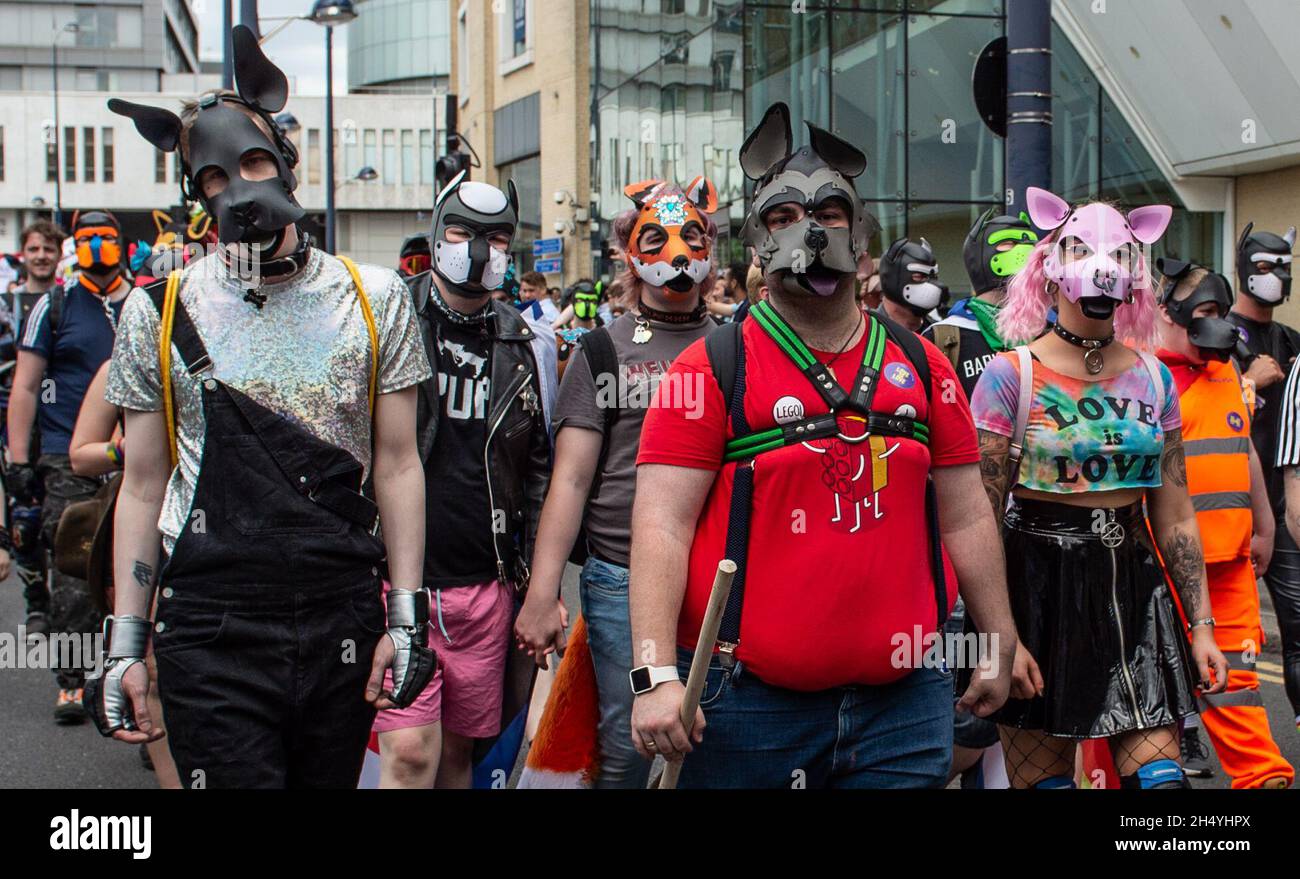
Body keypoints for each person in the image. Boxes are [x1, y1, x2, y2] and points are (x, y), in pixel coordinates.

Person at [628, 103, 1016, 788]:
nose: (809, 230)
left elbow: (965, 511)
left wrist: (997, 637)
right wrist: (654, 673)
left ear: (860, 231)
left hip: (905, 704)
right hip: (743, 707)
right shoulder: (712, 369)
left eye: (830, 212)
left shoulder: (925, 366)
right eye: (782, 217)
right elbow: (661, 524)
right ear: (755, 240)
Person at [90, 25, 435, 788]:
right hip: (213, 625)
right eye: (214, 177)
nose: (238, 188)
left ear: (286, 160)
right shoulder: (158, 309)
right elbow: (144, 484)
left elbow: (399, 463)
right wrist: (125, 644)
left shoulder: (375, 300)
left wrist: (406, 618)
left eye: (252, 161)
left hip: (340, 612)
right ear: (195, 192)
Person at [971, 186, 1228, 790]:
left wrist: (1203, 627)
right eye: (1081, 248)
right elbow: (977, 520)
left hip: (1135, 591)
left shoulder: (1154, 378)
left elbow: (1175, 515)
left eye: (1117, 253)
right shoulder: (1011, 378)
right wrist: (998, 637)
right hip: (1037, 590)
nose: (1101, 266)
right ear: (1050, 268)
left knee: (1163, 789)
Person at [516, 176, 720, 789]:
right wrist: (542, 590)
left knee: (715, 735)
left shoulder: (736, 345)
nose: (678, 252)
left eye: (694, 236)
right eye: (657, 238)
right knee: (631, 741)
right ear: (630, 252)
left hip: (718, 577)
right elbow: (572, 478)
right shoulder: (602, 349)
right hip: (620, 580)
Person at [376, 170, 551, 789]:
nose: (479, 251)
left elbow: (539, 474)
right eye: (461, 232)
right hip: (400, 585)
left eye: (498, 239)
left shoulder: (529, 344)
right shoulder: (387, 317)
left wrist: (538, 586)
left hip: (486, 586)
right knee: (408, 753)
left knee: (459, 758)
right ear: (436, 229)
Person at [1152, 259, 1292, 788]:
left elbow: (1245, 451)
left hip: (1232, 563)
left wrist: (1265, 526)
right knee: (1152, 687)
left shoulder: (1226, 372)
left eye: (1223, 312)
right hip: (1165, 565)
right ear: (1171, 314)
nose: (1222, 324)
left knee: (1235, 681)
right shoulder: (1148, 375)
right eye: (1208, 312)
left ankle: (1262, 776)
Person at [924, 207, 1038, 789]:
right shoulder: (943, 336)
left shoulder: (1052, 336)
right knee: (970, 715)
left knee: (1019, 708)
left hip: (1039, 541)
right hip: (963, 536)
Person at [7, 210, 130, 724]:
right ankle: (73, 682)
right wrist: (19, 463)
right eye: (88, 238)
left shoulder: (146, 301)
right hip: (67, 458)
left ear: (123, 243)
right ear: (75, 246)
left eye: (108, 237)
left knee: (137, 574)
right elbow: (26, 386)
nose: (98, 246)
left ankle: (138, 688)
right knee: (76, 573)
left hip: (137, 455)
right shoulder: (54, 307)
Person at [1230, 222, 1300, 734]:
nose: (1275, 276)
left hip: (1284, 502)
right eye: (1264, 266)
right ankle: (1189, 734)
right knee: (1212, 628)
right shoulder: (1217, 337)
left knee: (1296, 629)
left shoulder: (1293, 341)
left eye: (1284, 266)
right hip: (1228, 506)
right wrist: (1249, 382)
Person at [2, 220, 64, 641]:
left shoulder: (70, 301)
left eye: (49, 249)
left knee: (63, 520)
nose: (41, 255)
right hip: (15, 421)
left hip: (62, 422)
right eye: (35, 248)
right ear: (23, 253)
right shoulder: (7, 305)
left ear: (60, 255)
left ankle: (68, 600)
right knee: (23, 518)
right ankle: (36, 599)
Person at [926, 209, 1039, 398]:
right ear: (980, 255)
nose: (1026, 250)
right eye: (1009, 243)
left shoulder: (1048, 331)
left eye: (1031, 244)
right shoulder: (943, 337)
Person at [877, 237, 947, 334]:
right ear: (890, 278)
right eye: (919, 276)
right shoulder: (867, 333)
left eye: (934, 277)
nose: (932, 284)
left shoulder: (938, 336)